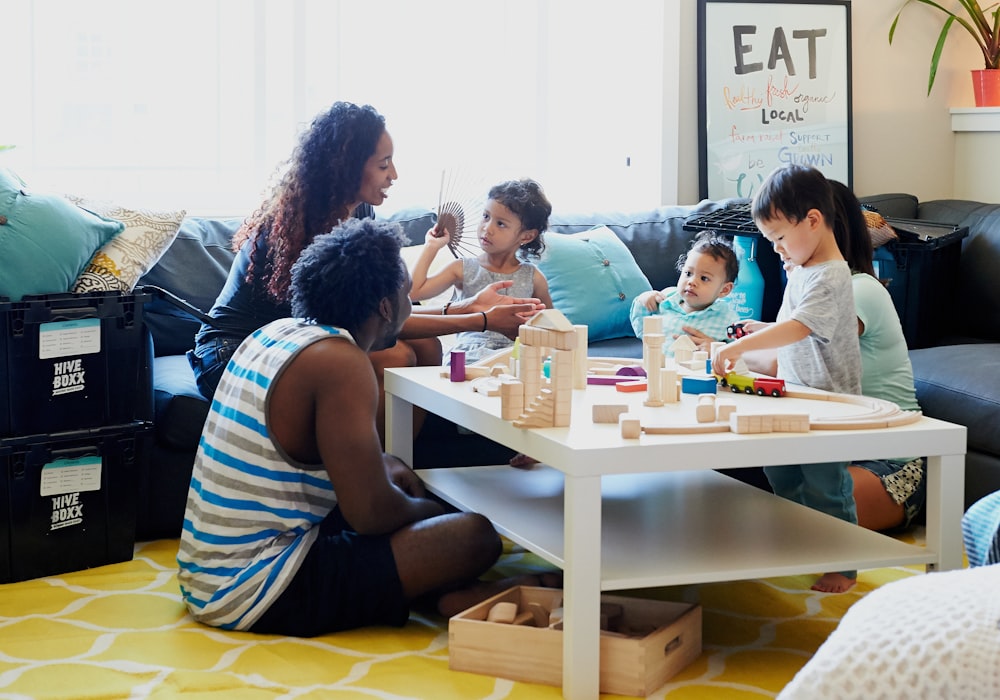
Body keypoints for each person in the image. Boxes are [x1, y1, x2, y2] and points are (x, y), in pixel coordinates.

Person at [177, 218, 557, 635]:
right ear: (385, 306)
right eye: (406, 293)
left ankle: (447, 594)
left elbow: (319, 461)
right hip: (256, 590)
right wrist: (431, 512)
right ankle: (447, 586)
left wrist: (386, 469)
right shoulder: (339, 361)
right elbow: (372, 516)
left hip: (209, 571)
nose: (410, 302)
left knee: (405, 487)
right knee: (473, 534)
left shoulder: (277, 333)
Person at [186, 101, 542, 441]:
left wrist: (467, 308)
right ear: (347, 166)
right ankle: (368, 478)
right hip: (235, 351)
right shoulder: (300, 227)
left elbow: (384, 310)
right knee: (397, 355)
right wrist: (479, 319)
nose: (395, 175)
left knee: (429, 348)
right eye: (384, 164)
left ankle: (401, 466)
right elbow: (371, 319)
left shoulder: (358, 214)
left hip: (301, 341)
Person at [710, 163, 863, 593]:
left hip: (828, 404)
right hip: (796, 396)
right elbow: (792, 326)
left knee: (826, 485)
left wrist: (738, 349)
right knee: (782, 474)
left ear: (813, 221)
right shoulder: (802, 271)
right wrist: (755, 332)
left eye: (778, 237)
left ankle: (844, 565)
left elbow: (798, 328)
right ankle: (804, 543)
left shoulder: (831, 275)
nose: (775, 248)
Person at [409, 178, 555, 364]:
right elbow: (414, 291)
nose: (487, 228)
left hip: (516, 356)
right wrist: (431, 246)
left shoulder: (533, 277)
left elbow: (551, 325)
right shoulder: (463, 268)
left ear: (527, 235)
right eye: (486, 216)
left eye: (500, 224)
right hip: (468, 356)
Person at [629, 230, 741, 352]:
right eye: (688, 273)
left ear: (724, 290)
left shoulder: (727, 318)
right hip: (658, 367)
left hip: (698, 370)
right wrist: (644, 300)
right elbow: (640, 329)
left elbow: (739, 353)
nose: (692, 282)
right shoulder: (665, 299)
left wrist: (717, 348)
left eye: (704, 278)